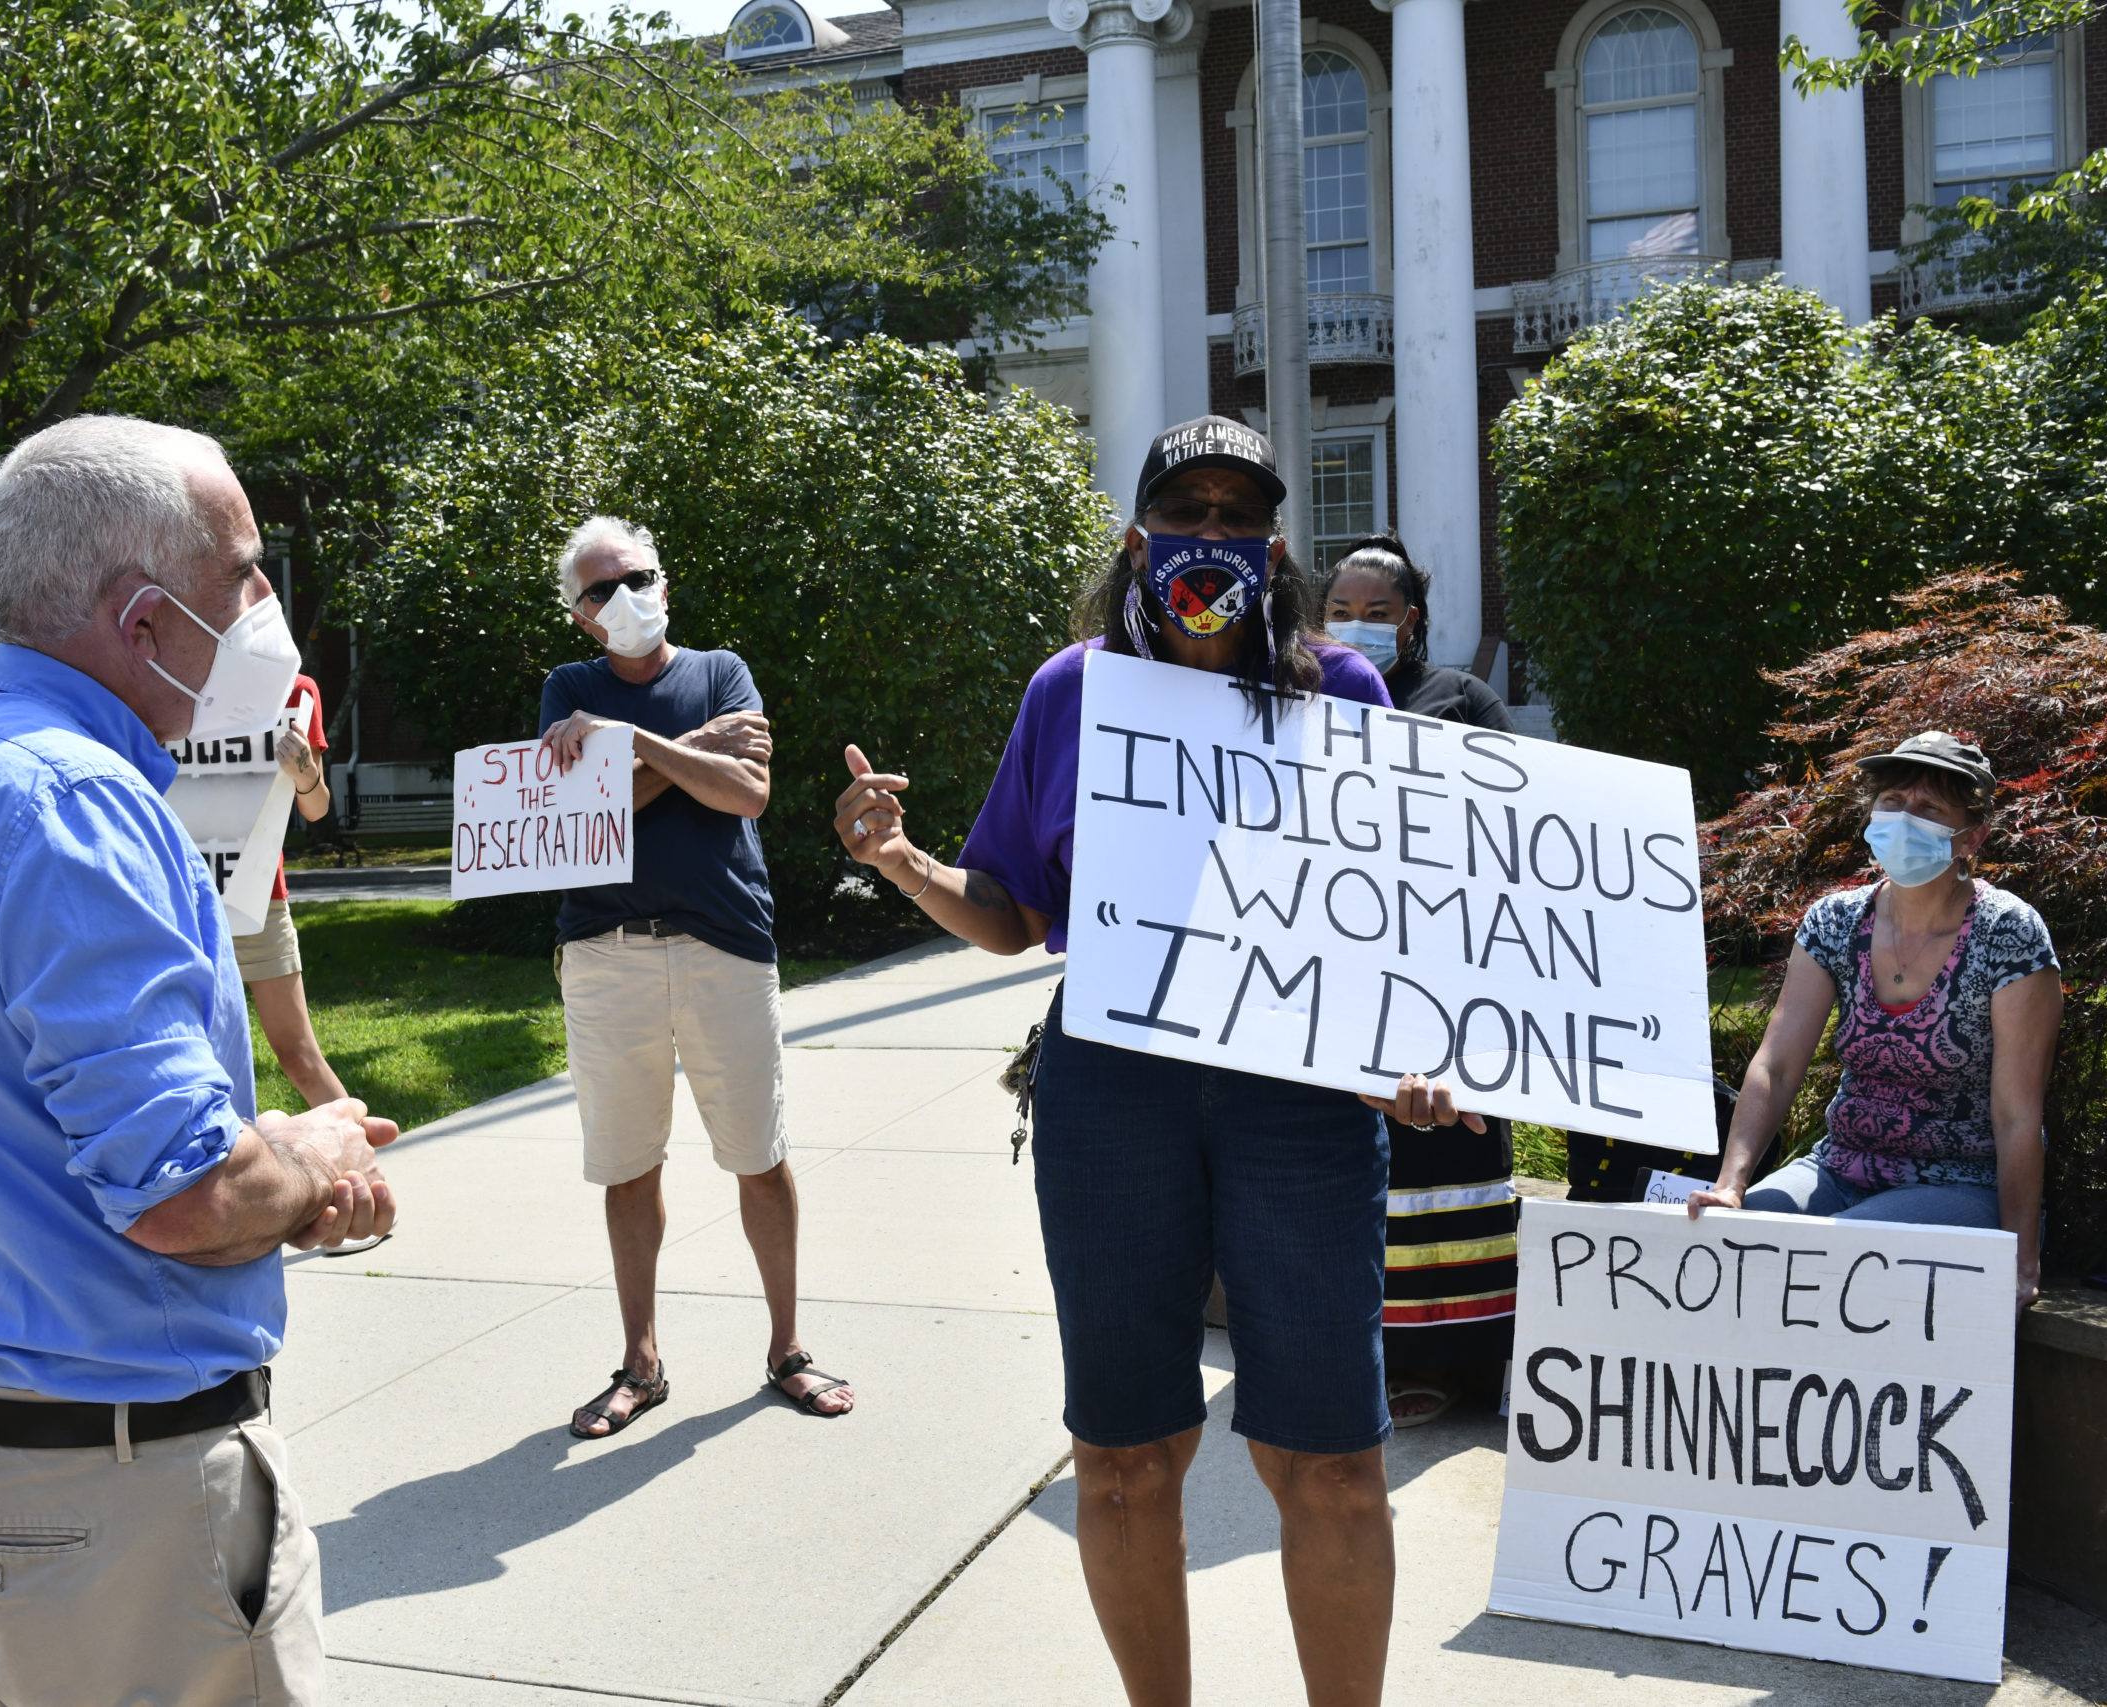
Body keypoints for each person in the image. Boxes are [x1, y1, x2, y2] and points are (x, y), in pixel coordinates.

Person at [834, 416, 1480, 1707]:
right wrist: (898, 860)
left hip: (1299, 1104)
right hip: (1113, 1091)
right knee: (1124, 1455)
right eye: (1189, 512)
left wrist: (1417, 1049)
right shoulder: (1071, 691)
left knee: (1334, 1459)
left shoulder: (1343, 692)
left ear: (1276, 547)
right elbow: (1015, 912)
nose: (1214, 539)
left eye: (1242, 517)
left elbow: (1402, 927)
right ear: (1139, 541)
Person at [0, 415, 399, 1706]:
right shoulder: (81, 800)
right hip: (125, 1507)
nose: (266, 602)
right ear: (144, 623)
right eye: (245, 570)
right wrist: (310, 1160)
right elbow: (184, 1190)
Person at [540, 515, 854, 1437]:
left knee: (759, 1152)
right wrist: (689, 752)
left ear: (664, 584)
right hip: (604, 949)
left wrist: (627, 745)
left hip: (725, 945)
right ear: (580, 616)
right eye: (600, 589)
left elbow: (748, 794)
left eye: (637, 575)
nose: (623, 596)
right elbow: (579, 817)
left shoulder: (722, 672)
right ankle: (640, 1361)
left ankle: (787, 1350)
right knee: (627, 1163)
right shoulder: (567, 688)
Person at [1687, 732, 2062, 1311]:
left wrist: (2021, 1260)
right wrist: (1731, 1186)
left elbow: (2017, 1115)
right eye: (1893, 800)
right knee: (1731, 1244)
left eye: (1931, 808)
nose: (1905, 818)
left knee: (1845, 1262)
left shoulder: (2009, 935)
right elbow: (1777, 1065)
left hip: (1959, 1184)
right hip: (1839, 1167)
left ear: (1973, 837)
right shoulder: (1834, 921)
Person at [1322, 536, 1519, 1429]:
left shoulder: (1461, 699)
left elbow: (1507, 819)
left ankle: (1469, 1355)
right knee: (1361, 1163)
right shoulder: (1301, 695)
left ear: (1412, 620)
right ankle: (1376, 1353)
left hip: (1447, 962)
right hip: (1342, 962)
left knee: (1454, 1150)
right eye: (1340, 611)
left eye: (1376, 611)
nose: (1357, 627)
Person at [233, 672, 347, 1107]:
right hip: (179, 895)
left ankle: (365, 1169)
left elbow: (316, 809)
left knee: (299, 1055)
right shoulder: (168, 676)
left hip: (260, 894)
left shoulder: (295, 689)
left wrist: (302, 768)